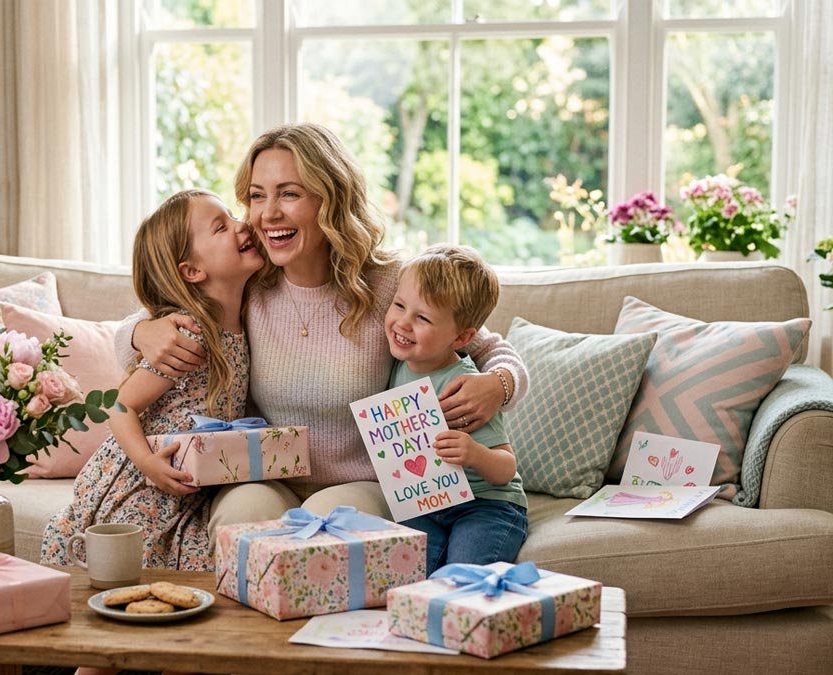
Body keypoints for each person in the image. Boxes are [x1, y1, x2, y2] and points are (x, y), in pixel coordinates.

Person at [114, 122, 528, 533]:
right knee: (241, 516)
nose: (268, 213)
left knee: (327, 523)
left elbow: (487, 345)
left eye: (289, 194)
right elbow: (155, 321)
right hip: (266, 475)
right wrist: (140, 332)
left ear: (329, 199)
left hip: (363, 482)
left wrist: (499, 385)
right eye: (257, 196)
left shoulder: (391, 284)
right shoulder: (248, 278)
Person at [40, 188, 263, 581]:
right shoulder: (189, 335)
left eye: (232, 217)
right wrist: (147, 464)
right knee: (123, 573)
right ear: (192, 271)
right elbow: (120, 405)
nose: (242, 225)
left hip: (186, 481)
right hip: (143, 477)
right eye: (221, 226)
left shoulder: (245, 314)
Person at [386, 244, 528, 571]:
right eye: (398, 305)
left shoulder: (463, 387)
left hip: (486, 505)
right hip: (426, 504)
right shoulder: (398, 364)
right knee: (403, 572)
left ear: (462, 337)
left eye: (422, 318)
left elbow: (506, 468)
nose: (402, 323)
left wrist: (474, 453)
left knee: (461, 578)